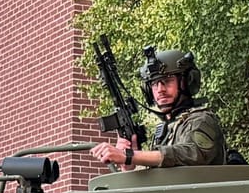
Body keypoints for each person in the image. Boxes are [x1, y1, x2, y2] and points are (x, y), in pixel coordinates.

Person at [89, 47, 228, 170]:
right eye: (154, 84)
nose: (160, 89)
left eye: (167, 81)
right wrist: (129, 165)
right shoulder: (165, 130)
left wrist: (129, 155)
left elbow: (192, 154)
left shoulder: (201, 120)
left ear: (187, 82)